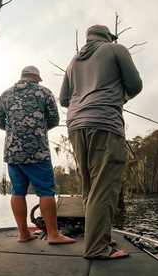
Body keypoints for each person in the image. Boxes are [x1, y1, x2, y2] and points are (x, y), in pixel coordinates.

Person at [59, 25, 142, 259]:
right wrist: (120, 97)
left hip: (75, 125)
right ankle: (97, 247)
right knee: (104, 186)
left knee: (89, 186)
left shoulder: (72, 62)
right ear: (107, 37)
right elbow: (135, 86)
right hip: (104, 122)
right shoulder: (116, 49)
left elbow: (64, 99)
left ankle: (99, 237)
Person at [0, 65, 75, 244]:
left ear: (22, 76)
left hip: (13, 151)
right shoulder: (44, 92)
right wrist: (37, 129)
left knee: (18, 192)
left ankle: (23, 234)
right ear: (36, 78)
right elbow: (54, 119)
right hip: (37, 151)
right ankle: (53, 235)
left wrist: (14, 129)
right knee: (45, 191)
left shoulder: (6, 94)